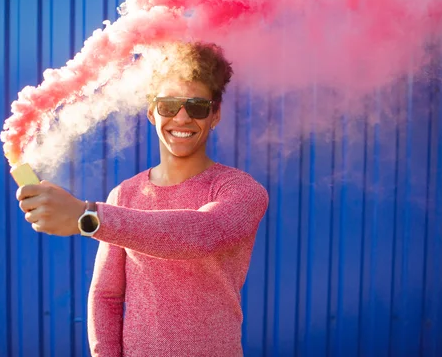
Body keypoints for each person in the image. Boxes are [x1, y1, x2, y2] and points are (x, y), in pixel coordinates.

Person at [16, 41, 269, 356]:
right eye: (168, 105)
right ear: (151, 111)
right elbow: (106, 296)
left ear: (214, 114)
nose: (182, 117)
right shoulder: (125, 194)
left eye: (197, 106)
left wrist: (87, 216)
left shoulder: (242, 190)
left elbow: (202, 233)